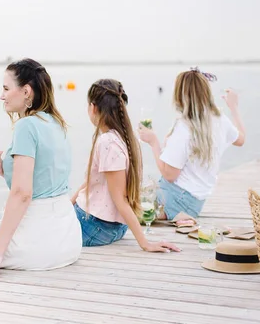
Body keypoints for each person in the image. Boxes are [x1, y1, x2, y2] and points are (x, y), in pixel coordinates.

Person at [0, 58, 82, 279]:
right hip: (68, 238)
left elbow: (22, 193)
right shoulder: (55, 123)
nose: (1, 96)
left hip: (40, 238)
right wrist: (5, 168)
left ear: (26, 91)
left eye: (6, 88)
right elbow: (46, 176)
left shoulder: (26, 126)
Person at [71, 79, 180, 253]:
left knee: (38, 229)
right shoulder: (124, 139)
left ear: (93, 108)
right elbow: (92, 182)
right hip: (113, 226)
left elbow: (119, 199)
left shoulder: (107, 142)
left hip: (95, 226)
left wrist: (145, 243)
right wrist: (68, 206)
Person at [138, 68, 245, 220]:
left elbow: (169, 175)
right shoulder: (220, 119)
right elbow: (241, 139)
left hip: (174, 199)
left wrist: (153, 142)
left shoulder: (184, 128)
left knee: (123, 207)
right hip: (195, 204)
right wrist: (233, 107)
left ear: (180, 96)